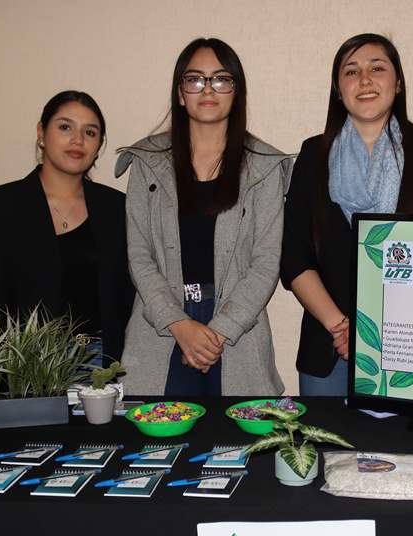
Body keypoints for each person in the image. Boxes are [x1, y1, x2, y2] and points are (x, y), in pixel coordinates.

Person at [281, 33, 413, 396]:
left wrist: (378, 334)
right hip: (328, 348)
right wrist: (343, 328)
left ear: (398, 82)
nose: (364, 80)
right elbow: (294, 258)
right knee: (325, 453)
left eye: (377, 68)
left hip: (411, 347)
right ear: (337, 89)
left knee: (408, 453)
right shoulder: (313, 156)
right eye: (351, 71)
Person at [116, 38, 290, 396]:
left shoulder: (264, 167)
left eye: (221, 79)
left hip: (237, 330)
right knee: (154, 443)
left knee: (239, 445)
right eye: (195, 79)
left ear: (236, 91)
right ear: (180, 93)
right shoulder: (148, 162)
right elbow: (139, 255)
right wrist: (179, 324)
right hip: (162, 326)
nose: (208, 89)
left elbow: (266, 263)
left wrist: (217, 332)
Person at [0, 90, 134, 366]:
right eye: (65, 127)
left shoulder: (117, 207)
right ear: (41, 133)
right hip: (28, 369)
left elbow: (128, 299)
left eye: (90, 132)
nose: (77, 140)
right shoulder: (1, 205)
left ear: (99, 145)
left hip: (102, 364)